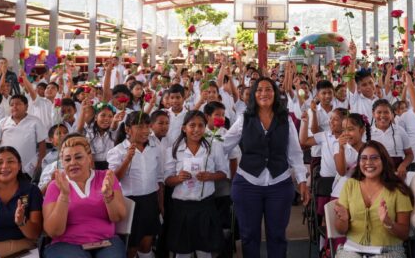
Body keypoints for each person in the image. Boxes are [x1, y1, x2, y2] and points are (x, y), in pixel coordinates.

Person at [223, 76, 309, 258]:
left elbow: (294, 153)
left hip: (279, 183)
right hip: (247, 183)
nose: (264, 93)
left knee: (277, 236)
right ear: (253, 94)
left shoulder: (285, 119)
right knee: (249, 236)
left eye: (268, 89)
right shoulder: (244, 119)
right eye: (259, 90)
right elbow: (224, 145)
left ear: (275, 93)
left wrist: (302, 180)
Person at [43, 134, 127, 258]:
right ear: (62, 163)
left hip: (106, 241)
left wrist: (109, 196)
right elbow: (53, 231)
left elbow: (118, 217)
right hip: (66, 244)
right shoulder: (55, 186)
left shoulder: (106, 178)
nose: (73, 163)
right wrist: (64, 196)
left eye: (78, 157)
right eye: (67, 159)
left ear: (89, 158)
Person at [164, 110, 228, 258]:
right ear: (184, 128)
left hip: (205, 206)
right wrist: (178, 178)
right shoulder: (174, 150)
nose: (197, 129)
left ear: (205, 128)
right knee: (183, 253)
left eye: (201, 125)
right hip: (182, 207)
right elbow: (167, 179)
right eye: (192, 125)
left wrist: (210, 176)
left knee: (204, 251)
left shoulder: (213, 146)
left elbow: (223, 172)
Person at [333, 141, 411, 258]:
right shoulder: (350, 185)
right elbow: (340, 230)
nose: (368, 162)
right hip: (352, 249)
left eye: (374, 158)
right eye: (364, 158)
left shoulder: (398, 189)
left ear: (384, 161)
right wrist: (343, 220)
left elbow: (404, 234)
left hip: (388, 250)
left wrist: (389, 224)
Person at [107, 111, 164, 258]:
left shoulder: (154, 148)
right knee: (131, 247)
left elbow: (159, 178)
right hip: (130, 203)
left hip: (150, 201)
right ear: (128, 129)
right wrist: (127, 159)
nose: (145, 131)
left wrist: (161, 204)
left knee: (146, 245)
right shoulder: (117, 151)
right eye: (139, 126)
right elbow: (114, 180)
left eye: (147, 126)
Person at [0, 94, 47, 178]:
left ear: (26, 107)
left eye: (18, 104)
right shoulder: (3, 122)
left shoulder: (35, 121)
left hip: (27, 168)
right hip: (6, 168)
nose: (14, 107)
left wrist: (40, 163)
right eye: (12, 105)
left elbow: (42, 145)